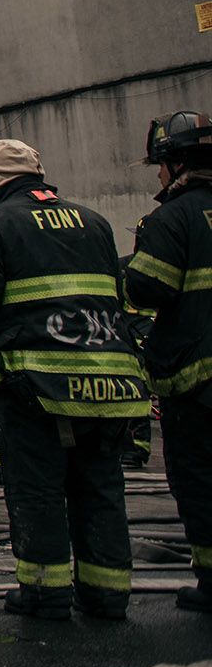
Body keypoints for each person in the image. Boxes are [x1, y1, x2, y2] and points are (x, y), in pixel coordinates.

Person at [0, 138, 145, 622]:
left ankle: (44, 594)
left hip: (35, 387)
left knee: (37, 488)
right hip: (108, 381)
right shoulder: (94, 221)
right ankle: (107, 594)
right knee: (101, 487)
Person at [121, 111, 212, 612]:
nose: (158, 175)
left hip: (197, 383)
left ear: (175, 164)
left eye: (160, 165)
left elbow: (147, 288)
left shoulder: (171, 217)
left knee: (200, 481)